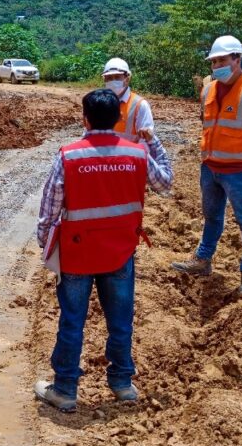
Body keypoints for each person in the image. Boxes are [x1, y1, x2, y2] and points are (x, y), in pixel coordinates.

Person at [33, 88, 173, 413]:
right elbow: (165, 183)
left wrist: (45, 244)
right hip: (120, 253)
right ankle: (122, 383)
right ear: (118, 118)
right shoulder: (137, 154)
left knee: (72, 322)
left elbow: (49, 209)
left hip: (77, 254)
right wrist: (152, 141)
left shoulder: (69, 155)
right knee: (120, 321)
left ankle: (65, 389)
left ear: (84, 118)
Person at [170, 35, 242, 298]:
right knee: (212, 216)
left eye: (222, 60)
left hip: (239, 170)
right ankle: (203, 260)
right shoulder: (208, 89)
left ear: (237, 59)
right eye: (214, 61)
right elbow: (206, 123)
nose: (217, 66)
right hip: (210, 167)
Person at [101, 58, 155, 143]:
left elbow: (146, 140)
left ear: (127, 79)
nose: (113, 81)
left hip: (130, 155)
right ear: (104, 80)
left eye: (117, 77)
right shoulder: (100, 103)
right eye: (109, 78)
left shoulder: (139, 105)